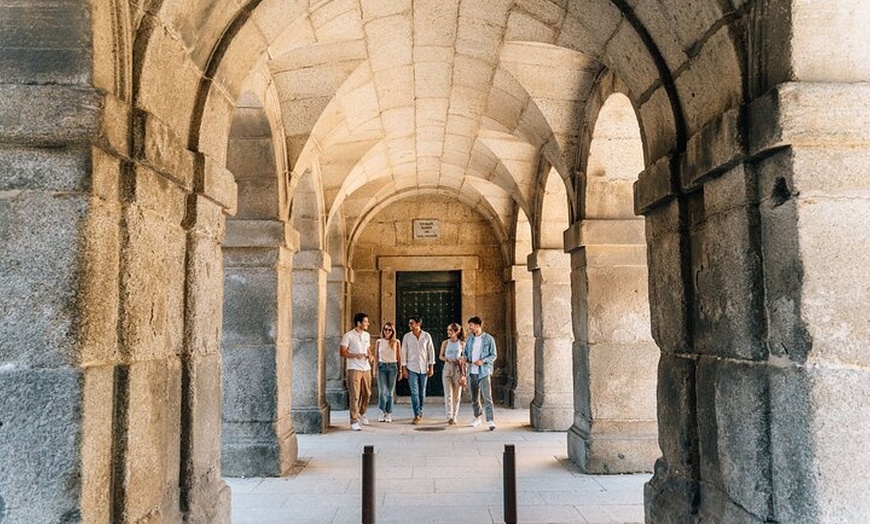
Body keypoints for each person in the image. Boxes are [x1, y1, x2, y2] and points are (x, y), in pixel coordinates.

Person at [339, 312, 374, 431]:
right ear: (359, 323)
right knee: (355, 395)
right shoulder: (348, 336)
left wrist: (370, 355)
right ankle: (354, 420)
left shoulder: (367, 335)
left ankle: (362, 412)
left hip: (366, 367)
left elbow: (368, 349)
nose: (367, 323)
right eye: (365, 322)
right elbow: (342, 352)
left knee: (367, 393)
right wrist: (355, 355)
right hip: (354, 368)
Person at [464, 316, 497, 430]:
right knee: (474, 397)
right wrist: (464, 358)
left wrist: (482, 361)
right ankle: (477, 417)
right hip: (471, 371)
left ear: (477, 326)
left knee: (487, 397)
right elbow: (466, 353)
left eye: (471, 326)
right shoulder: (469, 339)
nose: (470, 328)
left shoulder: (489, 339)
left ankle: (490, 420)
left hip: (483, 372)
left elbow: (493, 355)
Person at [401, 315, 435, 424]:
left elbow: (431, 352)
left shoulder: (426, 336)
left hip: (424, 367)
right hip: (411, 367)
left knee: (422, 391)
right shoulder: (407, 337)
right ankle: (416, 414)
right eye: (409, 323)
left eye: (412, 323)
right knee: (414, 392)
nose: (410, 325)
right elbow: (403, 352)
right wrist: (404, 368)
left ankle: (420, 410)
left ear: (418, 324)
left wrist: (431, 367)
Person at [439, 322, 466, 425]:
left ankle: (455, 416)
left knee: (457, 395)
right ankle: (449, 415)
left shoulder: (462, 343)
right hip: (447, 368)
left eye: (450, 330)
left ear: (456, 332)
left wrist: (461, 359)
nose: (448, 332)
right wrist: (447, 359)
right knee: (448, 394)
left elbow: (466, 357)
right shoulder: (445, 343)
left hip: (458, 369)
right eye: (448, 330)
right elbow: (440, 356)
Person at [374, 322, 401, 423]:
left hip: (393, 366)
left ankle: (389, 412)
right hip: (381, 366)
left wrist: (401, 370)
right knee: (382, 391)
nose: (387, 332)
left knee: (390, 392)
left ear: (392, 331)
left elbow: (399, 357)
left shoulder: (396, 342)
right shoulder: (379, 342)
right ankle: (382, 410)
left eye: (389, 330)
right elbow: (376, 356)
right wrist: (374, 369)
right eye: (385, 329)